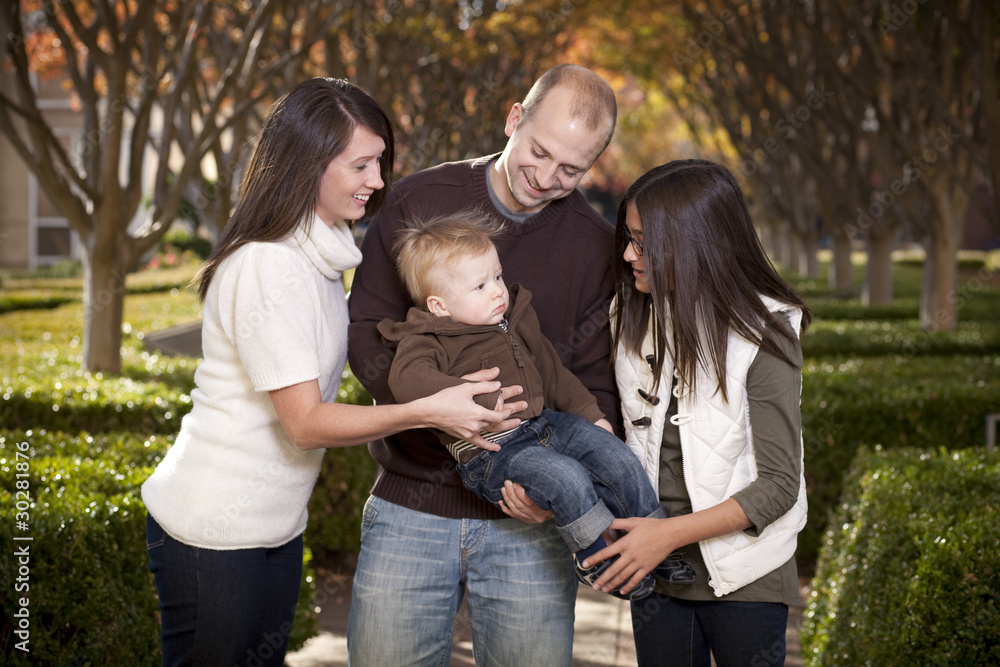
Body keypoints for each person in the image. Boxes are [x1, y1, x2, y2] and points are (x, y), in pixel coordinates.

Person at [140, 78, 520, 667]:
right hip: (211, 528)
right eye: (362, 165)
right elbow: (305, 424)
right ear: (307, 163)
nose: (378, 180)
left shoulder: (319, 256)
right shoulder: (269, 264)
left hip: (274, 525)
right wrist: (430, 408)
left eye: (381, 163)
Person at [346, 64, 621, 665]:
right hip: (412, 502)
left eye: (571, 170)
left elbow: (595, 376)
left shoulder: (595, 247)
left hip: (530, 520)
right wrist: (450, 424)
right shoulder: (418, 201)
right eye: (539, 152)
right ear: (514, 118)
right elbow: (367, 335)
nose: (547, 178)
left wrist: (553, 486)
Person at [377, 213, 698, 600]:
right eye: (479, 286)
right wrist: (460, 392)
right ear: (439, 305)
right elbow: (407, 379)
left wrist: (592, 416)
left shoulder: (512, 322)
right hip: (494, 452)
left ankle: (653, 537)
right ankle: (597, 557)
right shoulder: (428, 337)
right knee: (565, 478)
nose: (497, 291)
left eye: (496, 277)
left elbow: (553, 372)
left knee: (614, 455)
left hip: (547, 424)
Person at [580, 159, 812, 666]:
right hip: (657, 571)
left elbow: (777, 486)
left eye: (642, 243)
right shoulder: (630, 314)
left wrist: (664, 535)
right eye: (628, 238)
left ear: (691, 244)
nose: (626, 254)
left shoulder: (765, 335)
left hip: (746, 571)